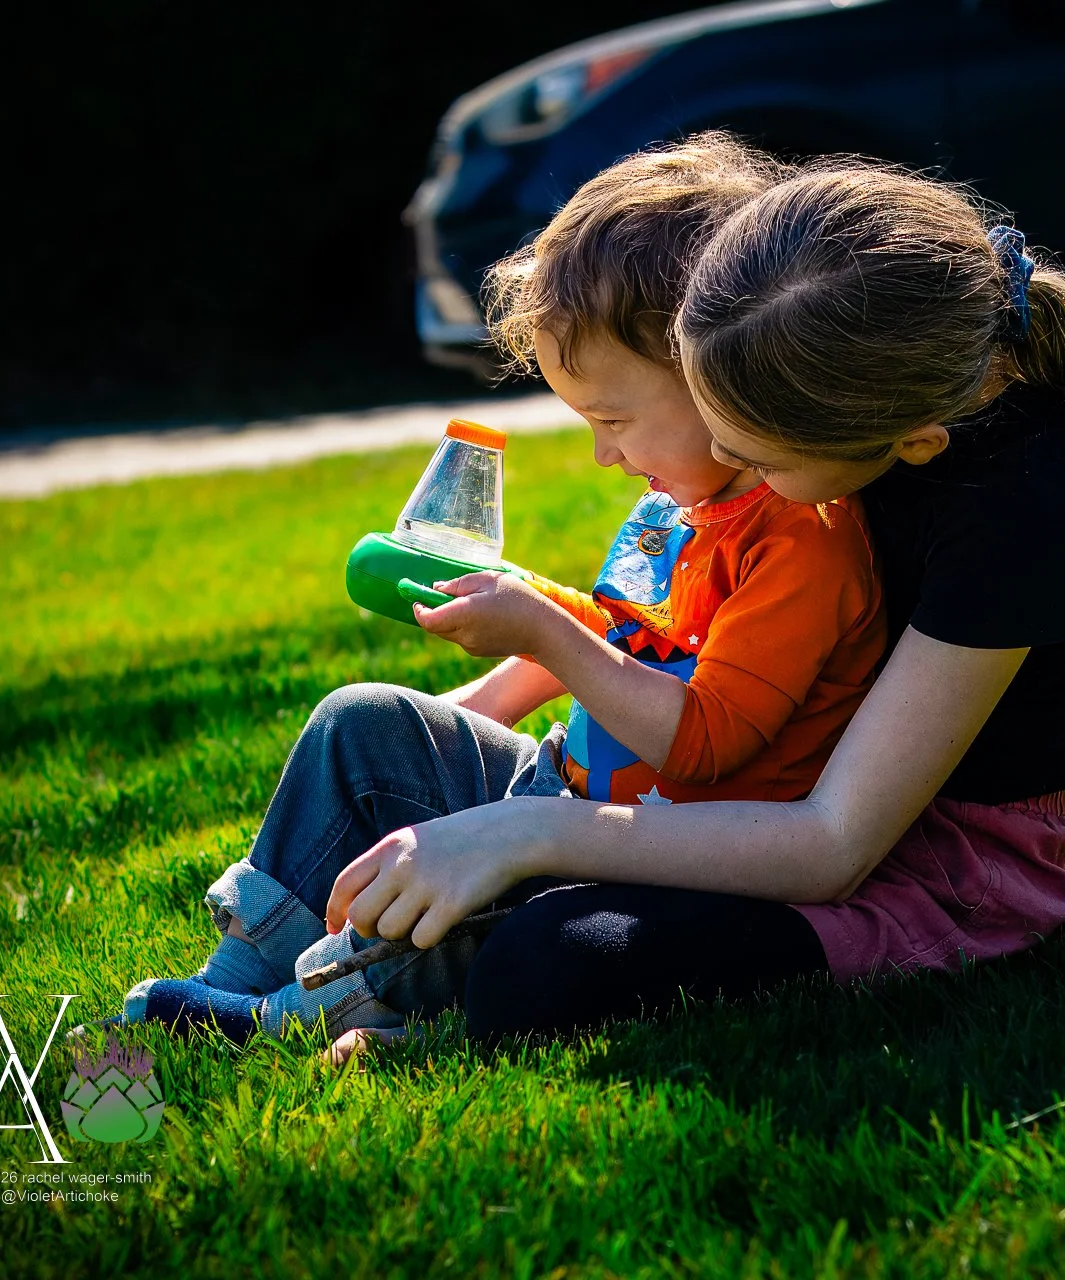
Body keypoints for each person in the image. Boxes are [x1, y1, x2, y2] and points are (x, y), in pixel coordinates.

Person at [319, 154, 1065, 1060]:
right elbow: (670, 643)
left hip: (925, 863)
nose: (735, 477)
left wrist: (527, 833)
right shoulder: (827, 387)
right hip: (758, 786)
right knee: (375, 740)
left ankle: (422, 1011)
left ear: (911, 444)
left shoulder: (1015, 501)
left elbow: (834, 845)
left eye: (759, 462)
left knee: (549, 962)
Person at [111, 136, 887, 1049]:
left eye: (614, 420)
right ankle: (237, 975)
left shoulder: (805, 538)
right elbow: (623, 630)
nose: (605, 455)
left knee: (480, 902)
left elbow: (707, 743)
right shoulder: (677, 501)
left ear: (716, 367)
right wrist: (510, 647)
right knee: (365, 722)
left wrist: (542, 634)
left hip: (653, 860)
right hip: (563, 790)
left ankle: (289, 1018)